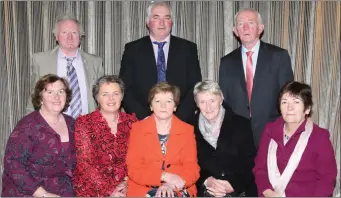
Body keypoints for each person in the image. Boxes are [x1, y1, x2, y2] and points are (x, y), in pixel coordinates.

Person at [219, 8, 294, 147]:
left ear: (261, 28)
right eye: (241, 24)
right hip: (238, 137)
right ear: (235, 30)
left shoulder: (279, 56)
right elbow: (225, 100)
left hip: (273, 133)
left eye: (251, 23)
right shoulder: (226, 62)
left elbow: (288, 96)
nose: (246, 27)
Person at [119, 1, 202, 123]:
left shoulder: (188, 48)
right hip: (142, 122)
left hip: (181, 122)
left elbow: (195, 87)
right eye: (156, 17)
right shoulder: (132, 49)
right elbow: (125, 88)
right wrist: (144, 118)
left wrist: (178, 119)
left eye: (166, 18)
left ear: (171, 22)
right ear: (147, 22)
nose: (162, 23)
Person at [253, 81, 337, 197]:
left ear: (307, 109)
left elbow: (326, 179)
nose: (289, 108)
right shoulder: (269, 130)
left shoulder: (319, 136)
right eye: (284, 102)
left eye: (296, 102)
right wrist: (267, 192)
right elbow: (260, 168)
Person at [2, 74, 76, 197]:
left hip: (64, 190)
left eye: (61, 91)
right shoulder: (27, 125)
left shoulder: (72, 123)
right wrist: (42, 194)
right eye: (50, 92)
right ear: (40, 98)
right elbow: (13, 164)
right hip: (29, 192)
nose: (56, 97)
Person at [126, 82, 200, 197]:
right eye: (158, 101)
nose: (163, 106)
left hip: (178, 187)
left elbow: (192, 168)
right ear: (151, 106)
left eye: (169, 101)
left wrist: (171, 184)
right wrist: (164, 176)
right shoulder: (138, 129)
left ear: (175, 106)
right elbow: (134, 169)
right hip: (144, 188)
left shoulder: (187, 130)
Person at [27, 13, 104, 118]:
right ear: (56, 36)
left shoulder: (95, 62)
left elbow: (104, 97)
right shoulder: (41, 60)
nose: (70, 37)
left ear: (80, 36)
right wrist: (29, 125)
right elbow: (34, 98)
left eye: (74, 32)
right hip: (52, 127)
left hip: (88, 128)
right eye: (64, 32)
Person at [73, 75, 137, 197]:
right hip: (94, 189)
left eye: (116, 93)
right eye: (105, 94)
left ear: (122, 96)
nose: (111, 98)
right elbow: (85, 164)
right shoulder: (84, 123)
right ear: (97, 98)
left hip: (128, 187)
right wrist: (110, 191)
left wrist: (127, 182)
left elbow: (140, 159)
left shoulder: (133, 122)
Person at [190, 80, 257, 197]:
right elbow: (189, 164)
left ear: (221, 99)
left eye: (212, 100)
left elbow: (251, 162)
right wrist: (206, 180)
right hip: (207, 190)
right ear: (197, 104)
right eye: (203, 102)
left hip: (239, 189)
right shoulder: (190, 128)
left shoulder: (241, 124)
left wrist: (233, 185)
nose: (208, 107)